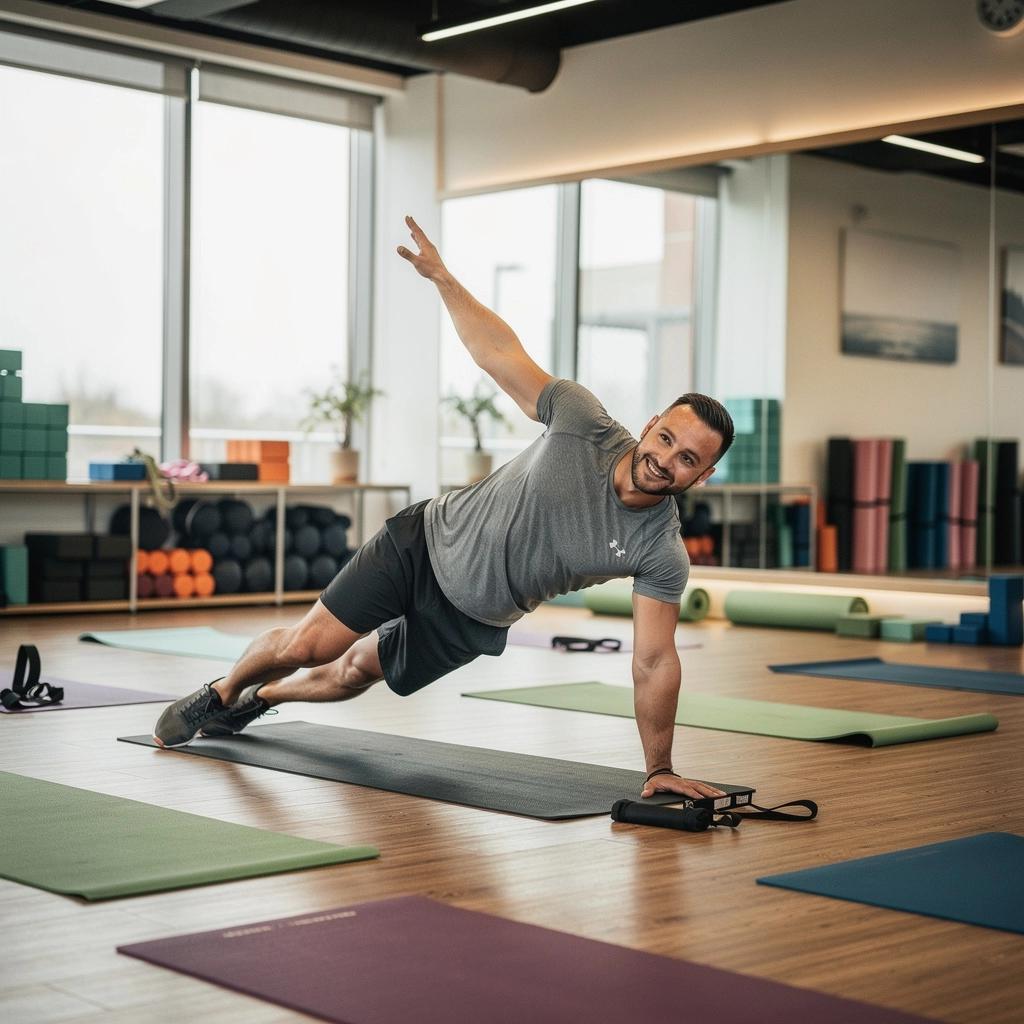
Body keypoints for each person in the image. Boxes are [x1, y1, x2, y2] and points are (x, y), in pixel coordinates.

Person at [153, 216, 735, 802]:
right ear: (654, 422)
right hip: (425, 544)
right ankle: (223, 692)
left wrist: (658, 768)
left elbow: (655, 660)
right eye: (666, 439)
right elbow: (498, 351)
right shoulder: (582, 421)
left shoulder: (660, 550)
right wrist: (442, 277)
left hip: (473, 618)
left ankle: (261, 700)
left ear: (703, 476)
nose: (667, 460)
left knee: (352, 673)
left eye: (688, 460)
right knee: (310, 647)